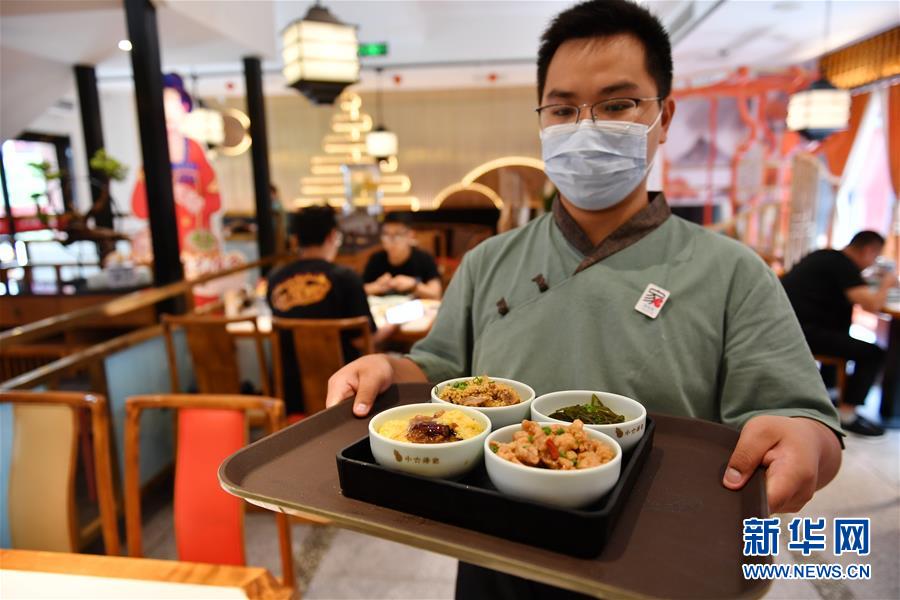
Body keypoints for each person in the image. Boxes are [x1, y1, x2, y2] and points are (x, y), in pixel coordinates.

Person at [326, 1, 842, 596]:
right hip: (498, 553)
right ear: (542, 119)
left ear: (664, 117)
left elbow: (805, 422)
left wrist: (805, 439)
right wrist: (386, 368)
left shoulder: (734, 272)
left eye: (618, 105)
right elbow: (439, 372)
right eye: (563, 109)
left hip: (658, 564)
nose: (586, 127)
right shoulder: (488, 260)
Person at [267, 206, 395, 414]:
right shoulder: (346, 278)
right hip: (343, 394)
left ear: (296, 239)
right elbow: (363, 340)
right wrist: (392, 326)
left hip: (290, 395)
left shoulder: (276, 278)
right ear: (332, 236)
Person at [782, 231, 895, 436]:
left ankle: (830, 396)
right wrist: (887, 283)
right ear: (869, 250)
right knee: (873, 353)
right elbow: (871, 305)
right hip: (805, 333)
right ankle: (847, 414)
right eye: (875, 256)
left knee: (841, 330)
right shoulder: (844, 266)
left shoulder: (825, 256)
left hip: (789, 327)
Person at [363, 213, 443, 299]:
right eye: (386, 234)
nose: (391, 240)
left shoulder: (424, 259)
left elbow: (436, 294)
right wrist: (377, 286)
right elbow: (360, 291)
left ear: (410, 235)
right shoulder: (376, 259)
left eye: (397, 234)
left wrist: (414, 285)